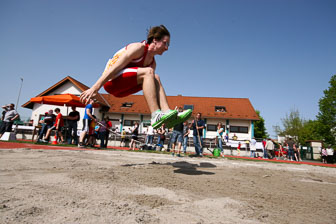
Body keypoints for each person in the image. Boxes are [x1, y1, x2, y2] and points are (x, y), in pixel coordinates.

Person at [79, 25, 191, 129]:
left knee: (155, 77)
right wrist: (95, 88)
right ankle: (155, 115)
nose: (167, 48)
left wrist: (165, 120)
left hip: (122, 89)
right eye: (165, 43)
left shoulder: (153, 63)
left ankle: (167, 113)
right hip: (111, 81)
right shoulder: (138, 48)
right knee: (149, 72)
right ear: (155, 40)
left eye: (168, 45)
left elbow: (151, 91)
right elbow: (113, 68)